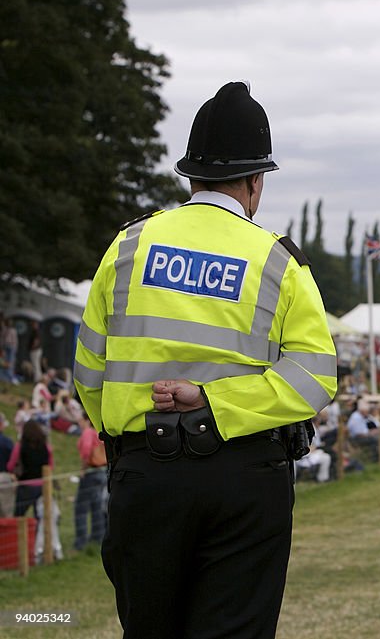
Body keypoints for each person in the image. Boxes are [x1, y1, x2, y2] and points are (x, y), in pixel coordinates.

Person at [73, 81, 337, 639]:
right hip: (245, 478)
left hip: (145, 473)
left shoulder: (128, 246)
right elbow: (315, 377)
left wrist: (128, 443)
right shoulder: (277, 259)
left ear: (190, 176)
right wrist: (217, 405)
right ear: (255, 180)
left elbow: (88, 371)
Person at [74, 415, 107, 550]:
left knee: (81, 508)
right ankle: (97, 537)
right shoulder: (99, 432)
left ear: (86, 420)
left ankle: (80, 542)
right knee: (97, 506)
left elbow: (87, 449)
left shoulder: (88, 432)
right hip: (102, 471)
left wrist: (83, 468)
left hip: (91, 472)